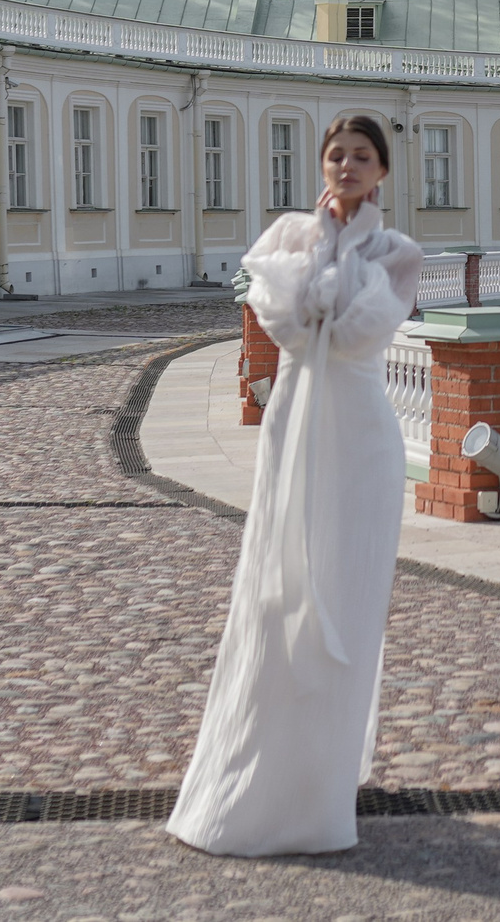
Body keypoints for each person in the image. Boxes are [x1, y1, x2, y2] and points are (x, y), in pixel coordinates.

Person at [165, 112, 423, 857]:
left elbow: (360, 334)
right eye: (337, 154)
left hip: (362, 436)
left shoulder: (398, 252)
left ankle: (322, 784)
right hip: (292, 422)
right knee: (274, 587)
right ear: (322, 165)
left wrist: (317, 298)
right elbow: (273, 312)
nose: (348, 165)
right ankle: (259, 775)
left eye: (363, 156)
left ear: (382, 173)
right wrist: (312, 287)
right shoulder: (286, 237)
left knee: (347, 593)